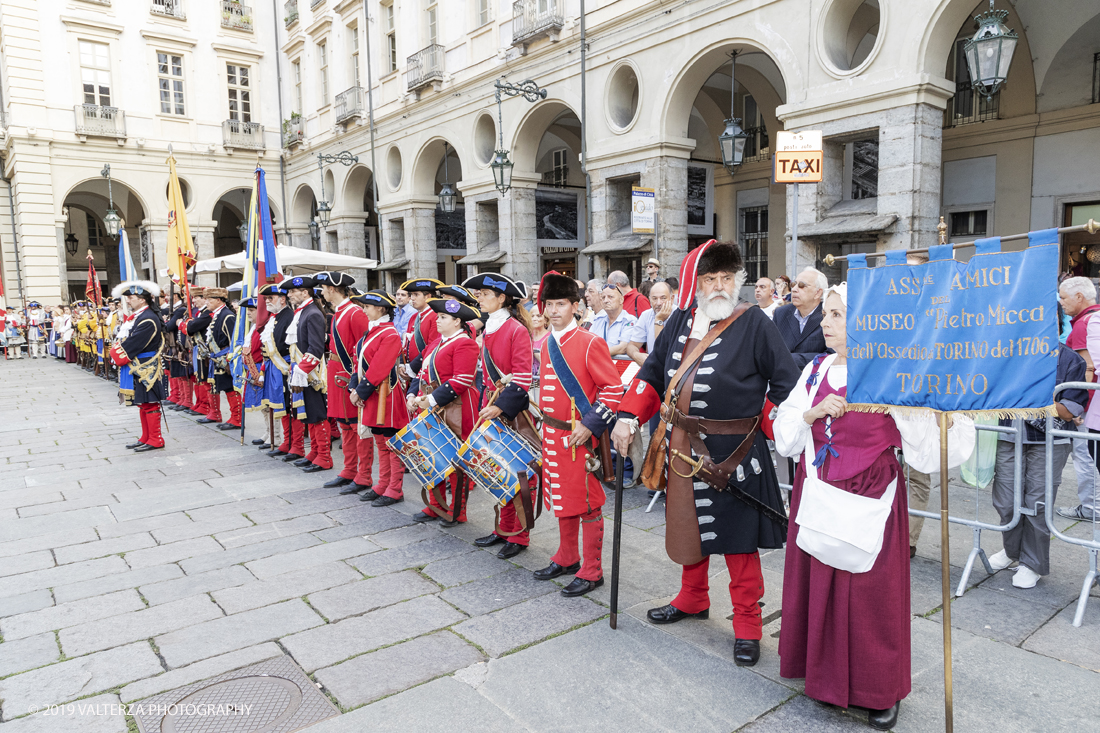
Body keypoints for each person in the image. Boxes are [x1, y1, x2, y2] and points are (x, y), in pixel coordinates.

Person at [772, 283, 974, 731]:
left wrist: (926, 408)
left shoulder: (890, 373)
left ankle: (878, 689)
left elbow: (929, 450)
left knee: (871, 600)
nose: (825, 323)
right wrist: (812, 413)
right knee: (820, 587)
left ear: (866, 321)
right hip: (819, 492)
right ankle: (825, 680)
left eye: (837, 315)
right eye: (826, 314)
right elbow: (784, 428)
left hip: (872, 496)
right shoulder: (815, 371)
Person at [612, 240, 799, 668]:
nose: (719, 286)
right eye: (711, 278)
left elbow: (786, 384)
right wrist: (627, 416)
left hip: (736, 452)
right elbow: (652, 372)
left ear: (738, 281)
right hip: (682, 448)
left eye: (727, 278)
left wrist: (787, 430)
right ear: (697, 283)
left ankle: (749, 625)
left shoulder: (754, 322)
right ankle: (693, 598)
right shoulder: (680, 320)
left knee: (738, 544)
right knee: (687, 528)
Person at [532, 271, 623, 596]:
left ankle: (592, 570)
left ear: (575, 307)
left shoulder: (589, 342)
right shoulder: (546, 343)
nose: (554, 310)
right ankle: (567, 556)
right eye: (549, 304)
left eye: (561, 304)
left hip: (578, 437)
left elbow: (613, 390)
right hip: (553, 436)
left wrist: (590, 425)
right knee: (562, 496)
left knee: (587, 503)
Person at [989, 343, 1088, 588]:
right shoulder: (1008, 351)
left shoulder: (1071, 360)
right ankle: (1012, 551)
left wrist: (1024, 398)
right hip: (1008, 433)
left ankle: (1032, 563)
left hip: (1050, 440)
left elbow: (1067, 411)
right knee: (1005, 498)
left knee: (1037, 502)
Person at [464, 272, 536, 559]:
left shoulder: (515, 329)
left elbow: (522, 377)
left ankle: (519, 535)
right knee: (495, 468)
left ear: (501, 298)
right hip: (489, 403)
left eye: (483, 293)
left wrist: (500, 406)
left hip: (507, 409)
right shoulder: (490, 327)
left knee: (515, 472)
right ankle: (503, 528)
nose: (478, 298)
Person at [408, 296, 481, 526]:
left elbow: (462, 380)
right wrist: (412, 394)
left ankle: (457, 510)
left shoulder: (465, 343)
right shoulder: (436, 343)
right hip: (431, 404)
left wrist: (429, 399)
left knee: (455, 460)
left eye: (443, 317)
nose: (437, 321)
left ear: (457, 321)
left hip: (455, 407)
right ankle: (436, 505)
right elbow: (420, 373)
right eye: (438, 316)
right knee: (431, 456)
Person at [349, 289, 409, 506]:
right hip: (373, 393)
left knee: (391, 443)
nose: (363, 310)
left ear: (381, 308)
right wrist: (353, 386)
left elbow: (379, 367)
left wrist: (360, 391)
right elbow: (359, 362)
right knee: (379, 441)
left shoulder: (390, 333)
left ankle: (395, 488)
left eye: (366, 306)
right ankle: (383, 484)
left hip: (388, 394)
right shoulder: (372, 331)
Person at [317, 271, 372, 483]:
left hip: (348, 375)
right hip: (336, 372)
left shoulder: (354, 313)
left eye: (323, 289)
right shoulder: (341, 311)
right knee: (344, 425)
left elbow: (364, 349)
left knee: (357, 426)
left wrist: (357, 381)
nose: (322, 293)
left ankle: (363, 475)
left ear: (332, 289)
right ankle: (349, 470)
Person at [1057, 276, 1100, 521]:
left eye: (1063, 297)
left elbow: (1088, 369)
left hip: (1089, 406)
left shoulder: (1085, 324)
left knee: (1084, 457)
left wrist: (1079, 410)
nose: (1061, 302)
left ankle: (1091, 508)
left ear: (1079, 297)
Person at [108, 280, 167, 452]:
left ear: (142, 300)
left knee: (150, 403)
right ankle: (146, 437)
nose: (127, 301)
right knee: (143, 402)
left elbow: (134, 343)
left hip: (146, 367)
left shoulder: (148, 319)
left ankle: (156, 439)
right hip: (138, 365)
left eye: (131, 297)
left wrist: (115, 353)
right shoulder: (140, 316)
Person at [285, 276, 332, 472]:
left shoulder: (312, 313)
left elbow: (315, 347)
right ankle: (314, 451)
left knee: (317, 414)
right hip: (301, 370)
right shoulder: (304, 311)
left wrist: (302, 371)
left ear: (305, 293)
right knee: (307, 414)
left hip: (311, 374)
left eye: (292, 292)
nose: (289, 295)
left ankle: (324, 456)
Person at [258, 283, 302, 461]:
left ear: (282, 299)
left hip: (285, 366)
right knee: (282, 406)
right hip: (275, 368)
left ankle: (296, 445)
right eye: (266, 299)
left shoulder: (288, 316)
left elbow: (287, 345)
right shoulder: (275, 317)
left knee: (292, 407)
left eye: (271, 298)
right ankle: (287, 442)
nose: (267, 301)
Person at [197, 288, 241, 431]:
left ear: (218, 300)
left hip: (225, 358)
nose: (207, 302)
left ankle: (237, 418)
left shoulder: (227, 316)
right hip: (217, 358)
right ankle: (233, 417)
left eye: (209, 300)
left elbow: (233, 340)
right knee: (224, 387)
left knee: (230, 388)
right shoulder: (217, 315)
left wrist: (230, 361)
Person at [773, 268, 828, 369]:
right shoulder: (781, 313)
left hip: (815, 379)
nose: (794, 289)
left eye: (802, 285)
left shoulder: (828, 315)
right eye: (793, 284)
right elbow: (771, 349)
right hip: (785, 380)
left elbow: (831, 355)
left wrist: (791, 359)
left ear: (818, 293)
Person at [401, 277, 444, 377]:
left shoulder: (435, 317)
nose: (412, 298)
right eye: (411, 295)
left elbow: (432, 348)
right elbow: (406, 344)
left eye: (416, 295)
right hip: (411, 369)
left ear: (427, 297)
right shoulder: (414, 317)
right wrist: (402, 365)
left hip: (423, 370)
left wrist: (412, 368)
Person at [589, 284, 638, 361]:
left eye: (610, 297)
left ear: (621, 300)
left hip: (619, 369)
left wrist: (598, 353)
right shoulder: (597, 321)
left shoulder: (629, 321)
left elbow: (624, 347)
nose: (605, 301)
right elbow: (588, 344)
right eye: (603, 297)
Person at [165, 290, 194, 412]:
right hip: (176, 346)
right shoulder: (178, 310)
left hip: (182, 347)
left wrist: (166, 321)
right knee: (179, 374)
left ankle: (187, 400)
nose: (166, 297)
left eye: (167, 295)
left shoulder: (181, 310)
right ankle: (182, 399)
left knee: (185, 374)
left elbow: (169, 326)